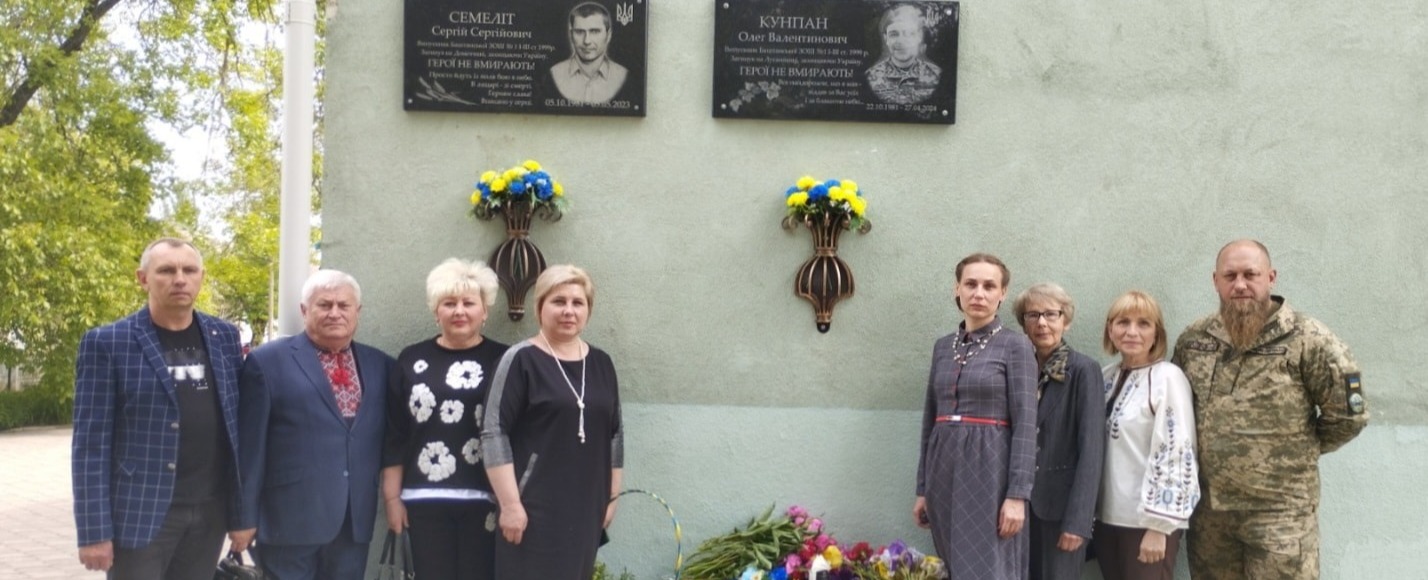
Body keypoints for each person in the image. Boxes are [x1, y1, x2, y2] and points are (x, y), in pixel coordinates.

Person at [1172, 240, 1368, 580]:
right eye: (1230, 276)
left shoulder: (1309, 339)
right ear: (1215, 281)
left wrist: (1294, 451)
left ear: (1271, 277)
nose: (1240, 284)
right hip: (1210, 517)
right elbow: (1176, 414)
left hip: (1280, 516)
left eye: (1250, 274)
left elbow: (1349, 417)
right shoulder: (1194, 340)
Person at [71, 237, 244, 579]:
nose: (179, 279)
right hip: (141, 514)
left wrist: (242, 514)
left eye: (189, 270)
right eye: (166, 270)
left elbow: (237, 430)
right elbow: (90, 445)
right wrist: (94, 532)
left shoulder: (224, 337)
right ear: (143, 278)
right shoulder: (107, 343)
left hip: (210, 512)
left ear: (201, 277)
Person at [230, 270, 394, 580]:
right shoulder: (267, 362)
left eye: (343, 305)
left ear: (357, 311)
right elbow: (249, 450)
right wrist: (243, 516)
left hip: (353, 522)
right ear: (305, 310)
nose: (335, 313)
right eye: (324, 305)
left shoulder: (381, 365)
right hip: (288, 522)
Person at [482, 265, 623, 579]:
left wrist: (611, 498)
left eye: (578, 302)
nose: (569, 311)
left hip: (586, 507)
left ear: (588, 310)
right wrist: (510, 505)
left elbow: (615, 434)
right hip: (532, 508)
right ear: (540, 307)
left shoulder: (602, 363)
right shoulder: (520, 360)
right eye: (558, 301)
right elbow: (493, 432)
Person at [382, 259, 510, 580]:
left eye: (469, 303)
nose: (459, 311)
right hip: (423, 501)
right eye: (449, 303)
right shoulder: (411, 359)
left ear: (485, 311)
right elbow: (395, 434)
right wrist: (392, 499)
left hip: (487, 499)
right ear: (435, 311)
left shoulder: (505, 360)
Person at [913, 253, 1036, 579]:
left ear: (1002, 293)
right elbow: (930, 418)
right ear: (957, 289)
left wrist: (1017, 495)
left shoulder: (1016, 346)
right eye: (970, 284)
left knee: (989, 565)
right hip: (943, 469)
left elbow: (1026, 424)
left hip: (990, 470)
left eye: (989, 286)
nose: (979, 293)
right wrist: (922, 488)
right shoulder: (943, 347)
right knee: (951, 562)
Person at [1095, 290, 1199, 580]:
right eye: (1123, 322)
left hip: (1146, 523)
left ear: (1157, 333)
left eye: (1143, 323)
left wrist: (1159, 526)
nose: (1132, 332)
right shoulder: (1106, 376)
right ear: (1110, 330)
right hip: (1106, 520)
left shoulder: (1168, 378)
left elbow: (1177, 451)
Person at [1012, 283, 1105, 580]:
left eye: (1051, 314)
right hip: (1018, 507)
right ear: (1023, 323)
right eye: (1033, 315)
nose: (1041, 323)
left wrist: (1079, 521)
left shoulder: (1083, 370)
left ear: (1066, 320)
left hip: (1061, 511)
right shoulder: (1018, 369)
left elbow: (1092, 451)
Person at [549, 2, 628, 104]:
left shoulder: (622, 75)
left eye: (594, 31)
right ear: (571, 35)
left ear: (608, 35)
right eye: (579, 32)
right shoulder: (554, 73)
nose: (586, 41)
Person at [865, 4, 942, 105]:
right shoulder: (870, 77)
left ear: (919, 37)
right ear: (886, 38)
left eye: (909, 34)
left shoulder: (936, 75)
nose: (901, 41)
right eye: (894, 34)